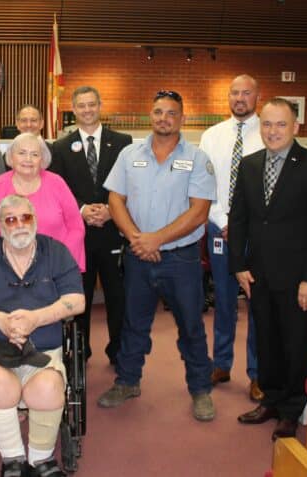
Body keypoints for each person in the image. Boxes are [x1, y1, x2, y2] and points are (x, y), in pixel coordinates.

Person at [98, 90, 217, 422]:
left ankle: (200, 389)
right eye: (158, 111)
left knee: (191, 326)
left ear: (182, 119)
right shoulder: (129, 154)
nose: (164, 118)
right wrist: (139, 240)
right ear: (150, 114)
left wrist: (157, 240)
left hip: (181, 260)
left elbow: (199, 212)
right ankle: (127, 381)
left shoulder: (197, 158)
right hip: (138, 256)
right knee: (133, 323)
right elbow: (115, 200)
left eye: (171, 113)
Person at [0, 195, 85, 477]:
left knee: (48, 387)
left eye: (26, 218)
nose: (19, 225)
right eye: (11, 220)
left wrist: (37, 318)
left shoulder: (56, 252)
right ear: (1, 225)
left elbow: (77, 299)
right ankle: (13, 459)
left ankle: (41, 460)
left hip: (44, 346)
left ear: (35, 220)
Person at [230, 97, 307, 440]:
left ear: (295, 127)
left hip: (297, 279)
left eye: (280, 124)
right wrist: (238, 266)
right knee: (267, 341)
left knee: (295, 343)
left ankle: (291, 409)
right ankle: (272, 400)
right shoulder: (248, 165)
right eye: (267, 124)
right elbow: (240, 218)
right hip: (258, 275)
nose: (273, 131)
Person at [50, 86, 132, 363]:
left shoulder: (122, 142)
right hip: (78, 234)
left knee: (117, 296)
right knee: (79, 296)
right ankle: (79, 352)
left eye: (91, 104)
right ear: (73, 109)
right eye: (81, 105)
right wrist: (82, 209)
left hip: (113, 230)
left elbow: (129, 183)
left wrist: (112, 209)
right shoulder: (60, 148)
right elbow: (58, 189)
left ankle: (118, 351)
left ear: (100, 106)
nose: (87, 110)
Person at [198, 74, 264, 402]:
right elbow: (205, 186)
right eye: (235, 93)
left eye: (246, 93)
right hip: (219, 227)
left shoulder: (269, 133)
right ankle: (221, 363)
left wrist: (246, 225)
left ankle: (257, 373)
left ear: (257, 97)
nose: (240, 98)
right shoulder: (212, 136)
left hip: (258, 234)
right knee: (223, 300)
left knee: (258, 302)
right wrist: (225, 222)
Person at [0, 132, 85, 272]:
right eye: (22, 153)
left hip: (53, 268)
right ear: (11, 157)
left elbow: (76, 228)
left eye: (35, 154)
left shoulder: (57, 183)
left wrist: (61, 259)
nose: (28, 159)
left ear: (42, 159)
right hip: (4, 269)